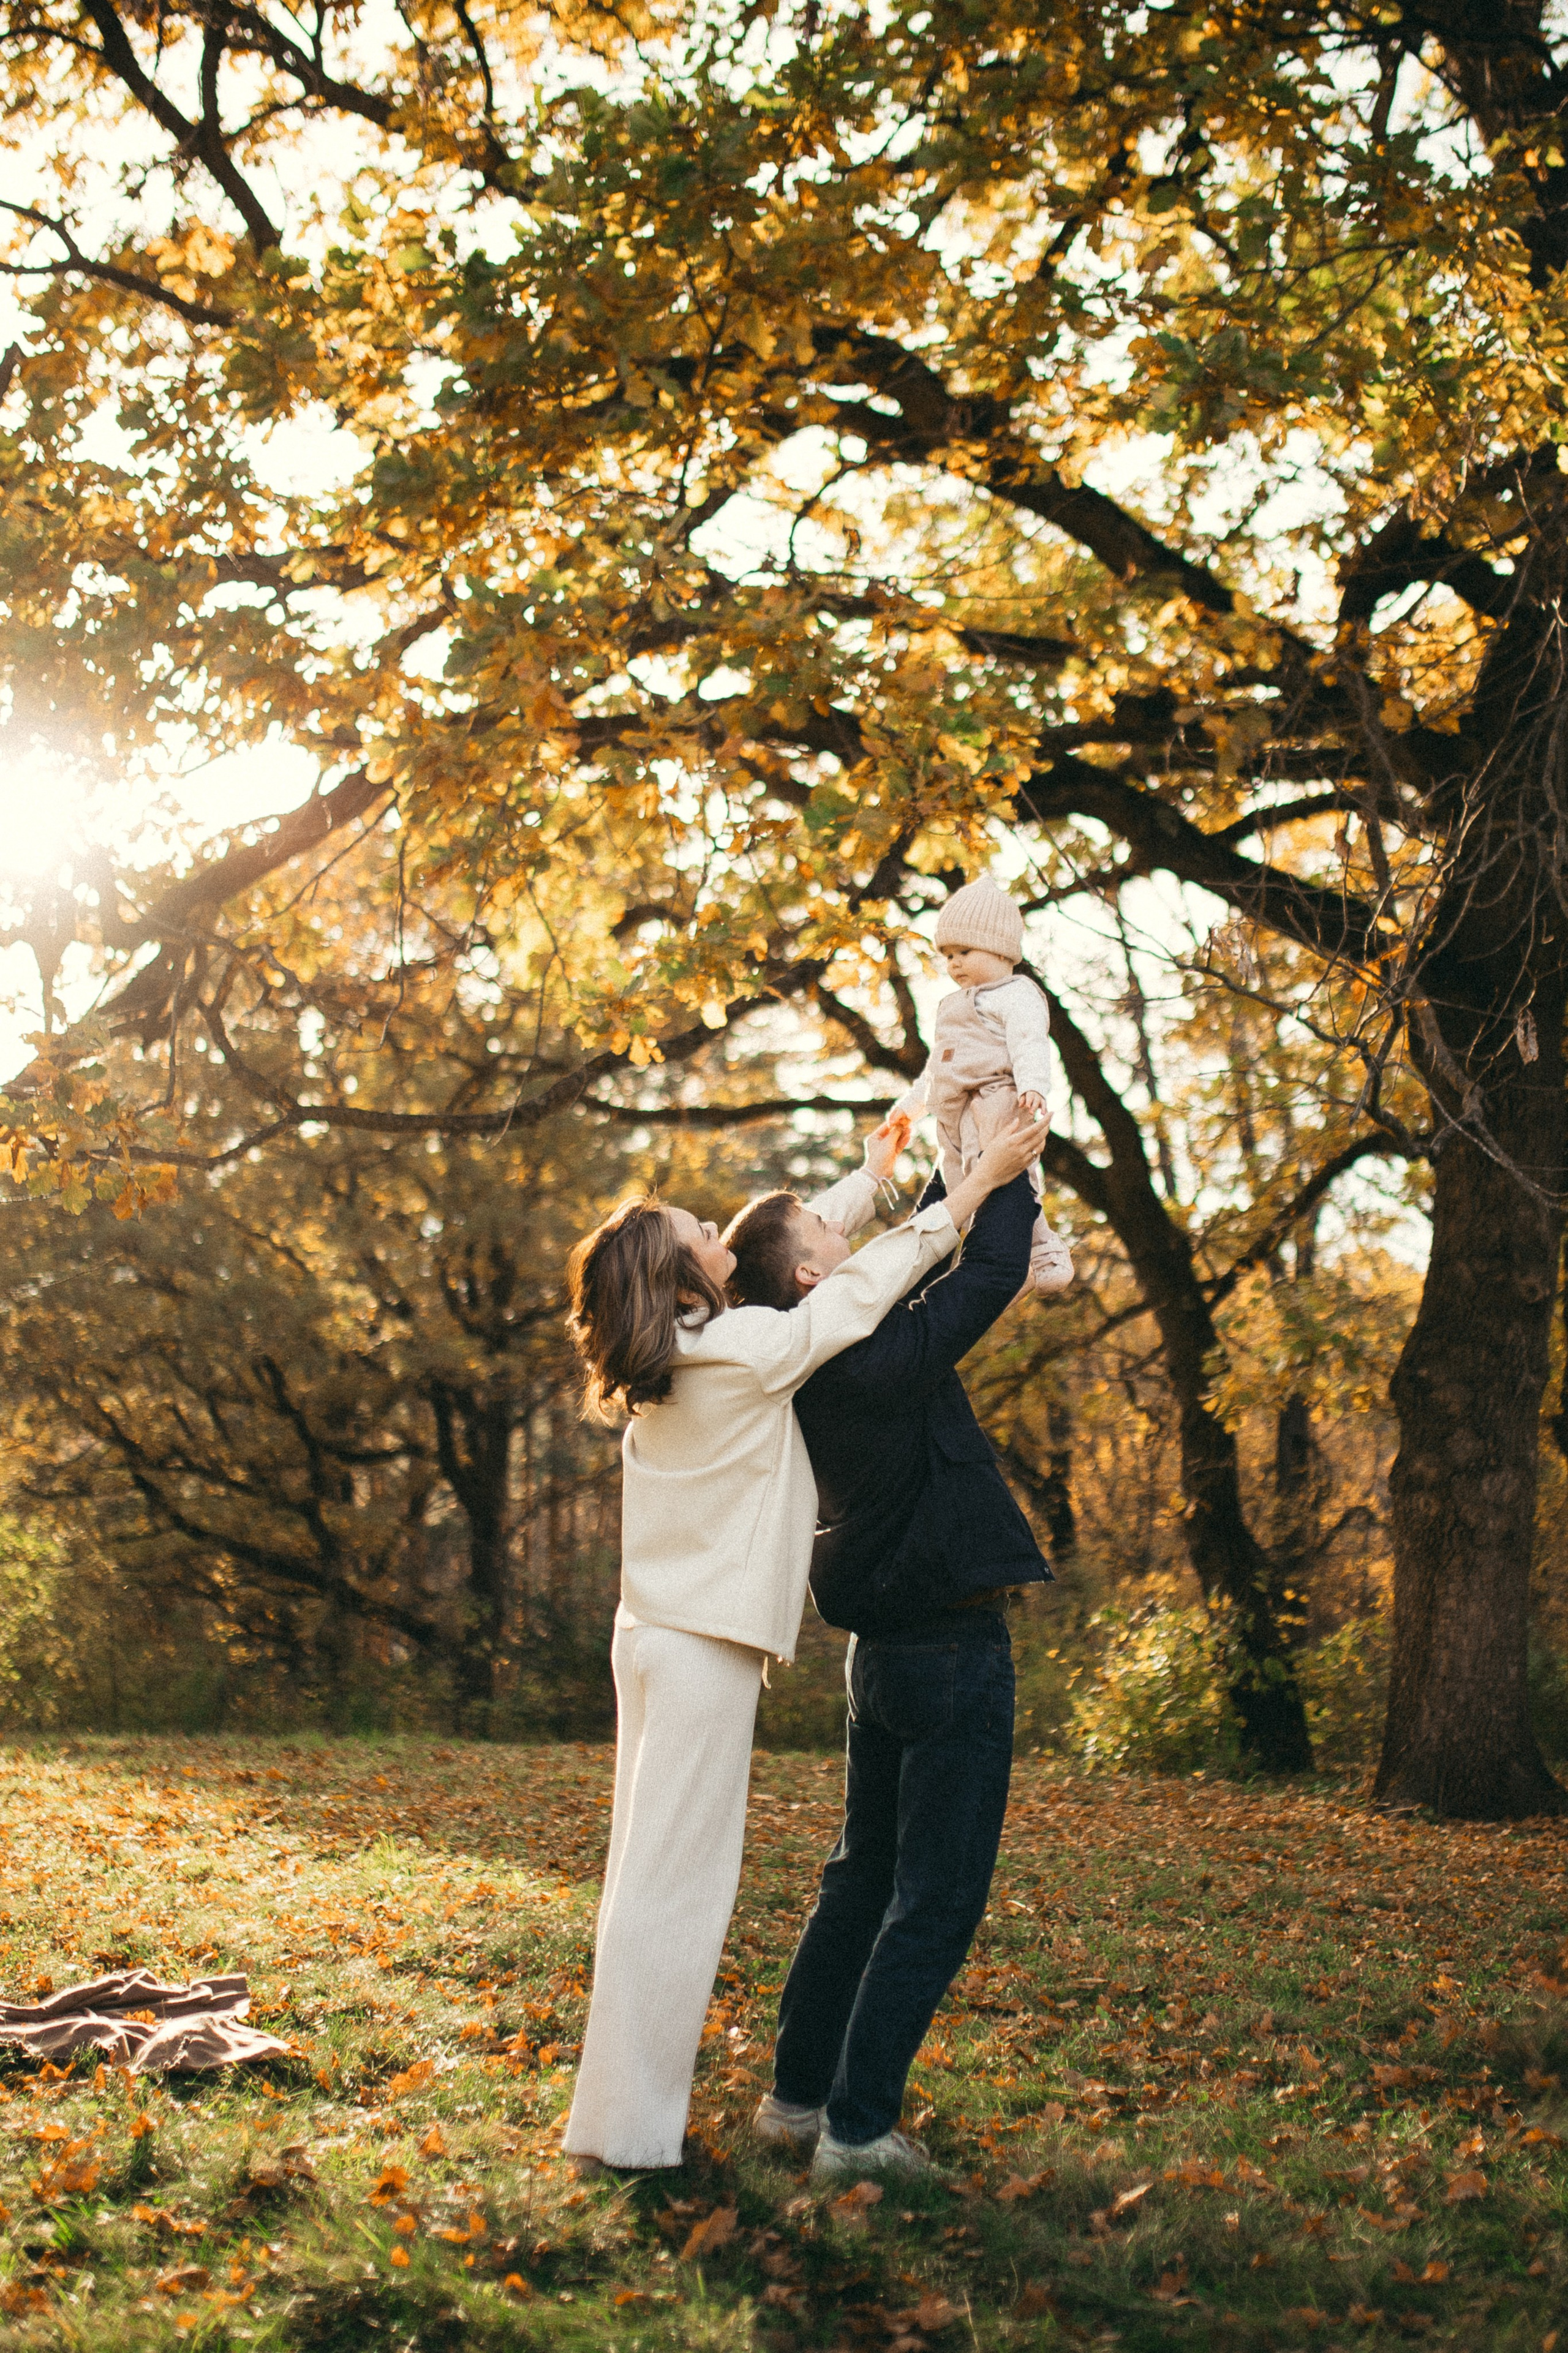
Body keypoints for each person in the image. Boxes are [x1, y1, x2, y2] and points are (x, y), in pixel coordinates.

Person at [559, 1111, 1047, 2170]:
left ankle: (626, 2121)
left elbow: (798, 1256)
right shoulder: (743, 1350)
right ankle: (631, 2137)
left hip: (652, 1636)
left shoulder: (689, 1354)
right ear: (682, 1276)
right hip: (697, 1650)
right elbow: (847, 1290)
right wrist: (970, 1193)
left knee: (646, 1877)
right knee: (675, 1890)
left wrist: (869, 1177)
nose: (714, 1229)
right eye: (698, 1231)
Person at [724, 1156, 1050, 2183]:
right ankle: (858, 2132)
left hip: (883, 1656)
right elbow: (988, 1268)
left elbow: (922, 1254)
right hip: (950, 1650)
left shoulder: (813, 1356)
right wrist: (1014, 1155)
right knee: (934, 1898)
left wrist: (964, 1152)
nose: (848, 1239)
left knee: (860, 1882)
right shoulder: (873, 1359)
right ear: (812, 1278)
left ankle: (795, 2103)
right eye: (827, 1236)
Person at [886, 873, 1073, 1297]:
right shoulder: (949, 1006)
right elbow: (938, 1068)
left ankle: (1043, 1250)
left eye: (964, 952)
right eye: (948, 955)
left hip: (995, 1100)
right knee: (961, 1188)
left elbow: (1030, 1041)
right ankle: (982, 1266)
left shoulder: (1017, 993)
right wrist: (911, 1107)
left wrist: (1033, 1085)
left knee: (1007, 1178)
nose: (954, 964)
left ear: (1001, 950)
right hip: (953, 1113)